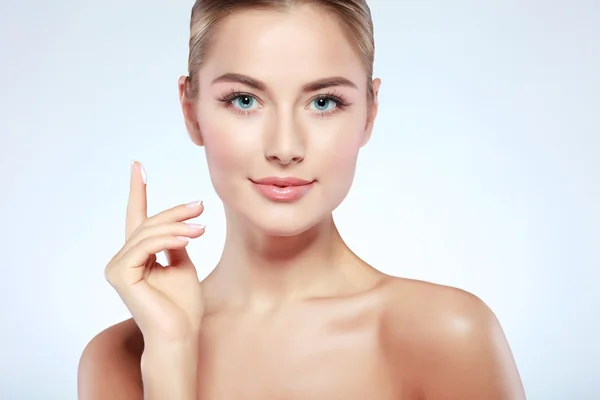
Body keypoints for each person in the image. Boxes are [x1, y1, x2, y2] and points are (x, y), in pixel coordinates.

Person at [77, 0, 526, 399]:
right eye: (245, 100)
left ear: (369, 113)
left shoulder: (446, 334)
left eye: (325, 102)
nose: (286, 146)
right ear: (190, 110)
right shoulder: (118, 357)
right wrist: (171, 357)